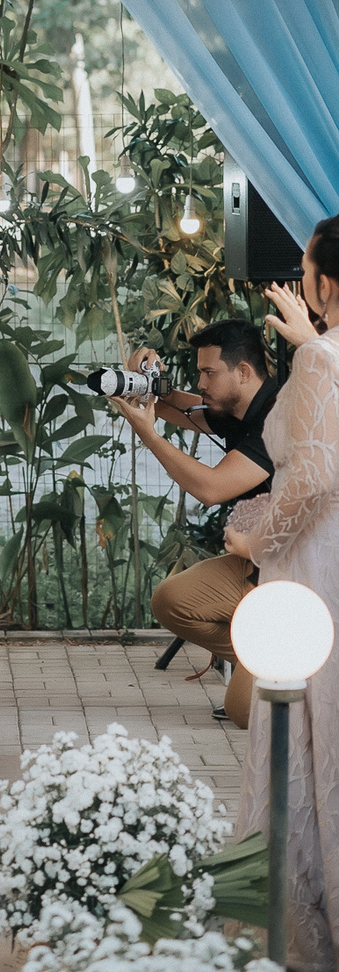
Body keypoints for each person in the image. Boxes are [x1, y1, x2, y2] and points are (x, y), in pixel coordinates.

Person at [232, 215, 339, 972]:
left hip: (318, 570)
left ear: (325, 283)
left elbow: (309, 480)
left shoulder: (320, 364)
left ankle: (306, 931)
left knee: (308, 737)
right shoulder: (321, 357)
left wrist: (253, 539)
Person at [111, 320, 286, 728]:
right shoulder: (239, 406)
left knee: (247, 714)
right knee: (172, 600)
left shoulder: (277, 417)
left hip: (298, 570)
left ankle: (305, 661)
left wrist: (150, 437)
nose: (201, 382)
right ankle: (261, 653)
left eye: (209, 373)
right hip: (258, 560)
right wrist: (144, 384)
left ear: (243, 372)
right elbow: (183, 410)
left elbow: (211, 487)